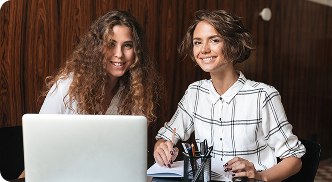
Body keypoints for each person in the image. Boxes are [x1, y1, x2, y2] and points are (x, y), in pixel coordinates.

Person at [153, 10, 305, 182]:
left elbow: (294, 159)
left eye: (214, 40)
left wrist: (260, 176)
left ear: (234, 45)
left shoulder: (263, 95)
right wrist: (162, 147)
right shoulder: (194, 92)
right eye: (197, 42)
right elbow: (166, 136)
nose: (204, 49)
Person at [18, 9, 162, 179]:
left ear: (137, 51)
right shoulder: (67, 87)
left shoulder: (137, 93)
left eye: (128, 45)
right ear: (97, 47)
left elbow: (130, 158)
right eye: (111, 44)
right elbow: (37, 151)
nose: (119, 54)